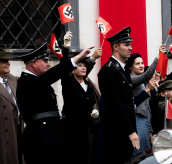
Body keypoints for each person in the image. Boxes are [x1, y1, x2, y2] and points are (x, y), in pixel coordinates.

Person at [16, 42, 92, 164]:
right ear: (34, 63)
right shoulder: (26, 81)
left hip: (51, 137)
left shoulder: (39, 81)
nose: (48, 64)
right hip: (40, 139)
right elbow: (53, 74)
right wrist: (76, 58)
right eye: (45, 61)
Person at [97, 27, 139, 164]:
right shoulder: (108, 70)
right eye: (126, 45)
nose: (130, 48)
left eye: (130, 44)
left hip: (125, 128)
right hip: (117, 131)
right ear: (115, 46)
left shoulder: (122, 69)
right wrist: (130, 130)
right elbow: (115, 104)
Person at [60, 31, 102, 164]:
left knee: (86, 157)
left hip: (86, 130)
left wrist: (94, 114)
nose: (83, 68)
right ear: (72, 69)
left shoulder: (89, 85)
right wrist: (65, 48)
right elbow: (62, 68)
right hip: (71, 129)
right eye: (79, 65)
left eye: (84, 66)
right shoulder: (69, 83)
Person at [126, 43, 165, 156]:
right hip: (137, 119)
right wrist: (159, 56)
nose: (141, 65)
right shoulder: (131, 79)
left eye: (142, 63)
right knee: (138, 151)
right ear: (130, 67)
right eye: (137, 63)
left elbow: (147, 107)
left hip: (146, 121)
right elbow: (147, 74)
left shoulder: (142, 82)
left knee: (145, 151)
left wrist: (150, 129)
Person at [0, 48, 22, 164]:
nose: (8, 63)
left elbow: (36, 79)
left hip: (17, 130)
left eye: (8, 60)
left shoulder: (12, 79)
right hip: (3, 135)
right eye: (4, 61)